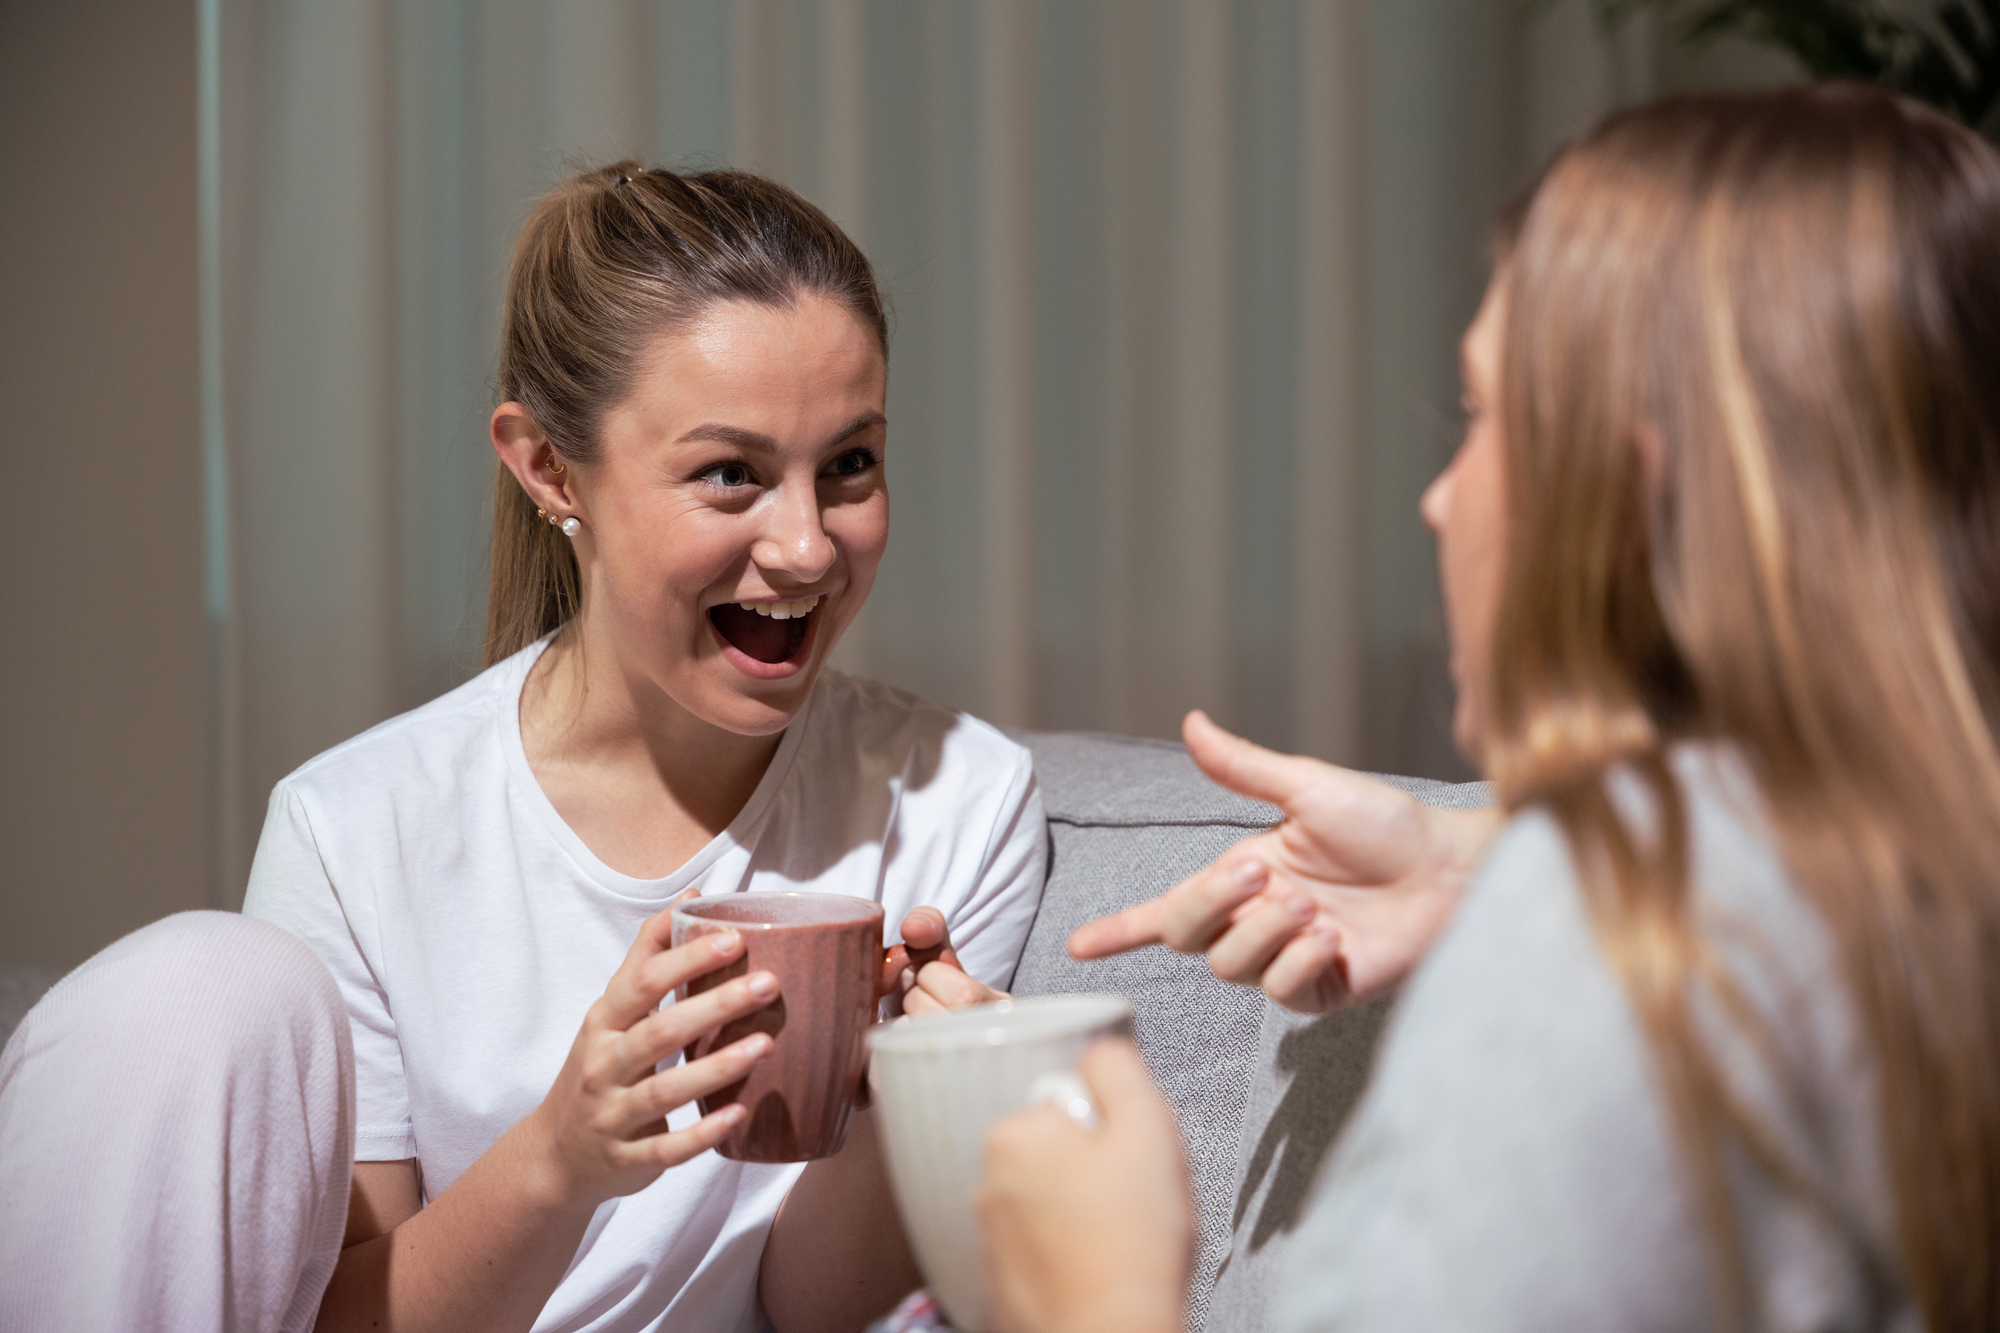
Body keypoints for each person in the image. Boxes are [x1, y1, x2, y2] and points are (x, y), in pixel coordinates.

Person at [977, 85, 2000, 1333]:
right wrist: (1484, 857)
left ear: (1623, 497)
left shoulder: (1606, 917)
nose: (1439, 500)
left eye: (1480, 419)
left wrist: (1097, 1289)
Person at [0, 165, 1043, 1333]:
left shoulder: (961, 797)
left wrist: (909, 1106)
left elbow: (810, 1312)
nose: (805, 547)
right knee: (193, 984)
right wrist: (560, 1157)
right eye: (729, 475)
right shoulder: (356, 832)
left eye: (848, 464)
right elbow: (327, 1319)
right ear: (550, 468)